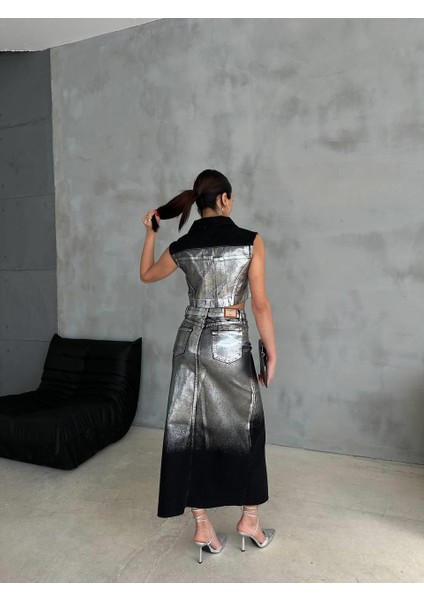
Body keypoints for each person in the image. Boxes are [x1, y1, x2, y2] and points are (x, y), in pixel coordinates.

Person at [139, 169, 277, 563]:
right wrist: (271, 352)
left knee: (188, 430)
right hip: (229, 341)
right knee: (247, 428)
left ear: (199, 204)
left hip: (188, 342)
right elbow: (260, 304)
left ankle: (202, 526)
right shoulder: (250, 241)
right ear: (225, 199)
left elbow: (146, 275)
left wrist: (151, 234)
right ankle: (250, 520)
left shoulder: (182, 245)